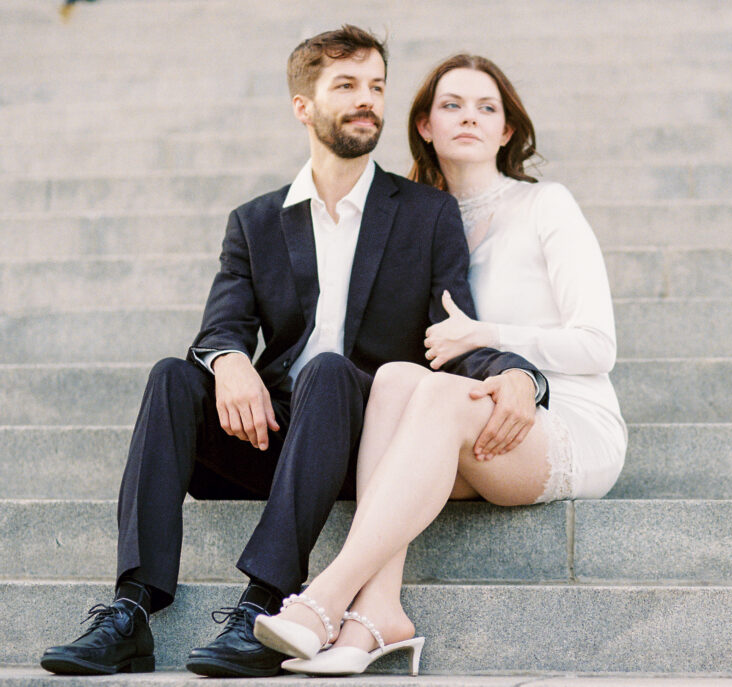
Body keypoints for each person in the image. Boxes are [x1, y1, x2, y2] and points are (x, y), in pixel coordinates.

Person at [39, 29, 547, 678]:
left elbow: (454, 330)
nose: (367, 102)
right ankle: (131, 608)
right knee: (173, 375)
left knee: (332, 370)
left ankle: (268, 598)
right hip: (275, 437)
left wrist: (516, 375)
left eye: (376, 87)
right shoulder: (255, 221)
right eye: (346, 87)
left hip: (370, 446)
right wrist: (229, 362)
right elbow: (221, 325)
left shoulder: (425, 214)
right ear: (303, 107)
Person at [252, 54, 627, 676]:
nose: (470, 119)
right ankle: (380, 615)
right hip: (465, 417)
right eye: (452, 105)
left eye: (487, 108)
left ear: (506, 131)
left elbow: (597, 345)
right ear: (424, 125)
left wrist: (492, 339)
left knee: (431, 393)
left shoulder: (547, 206)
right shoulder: (417, 218)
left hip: (565, 419)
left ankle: (326, 597)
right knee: (399, 379)